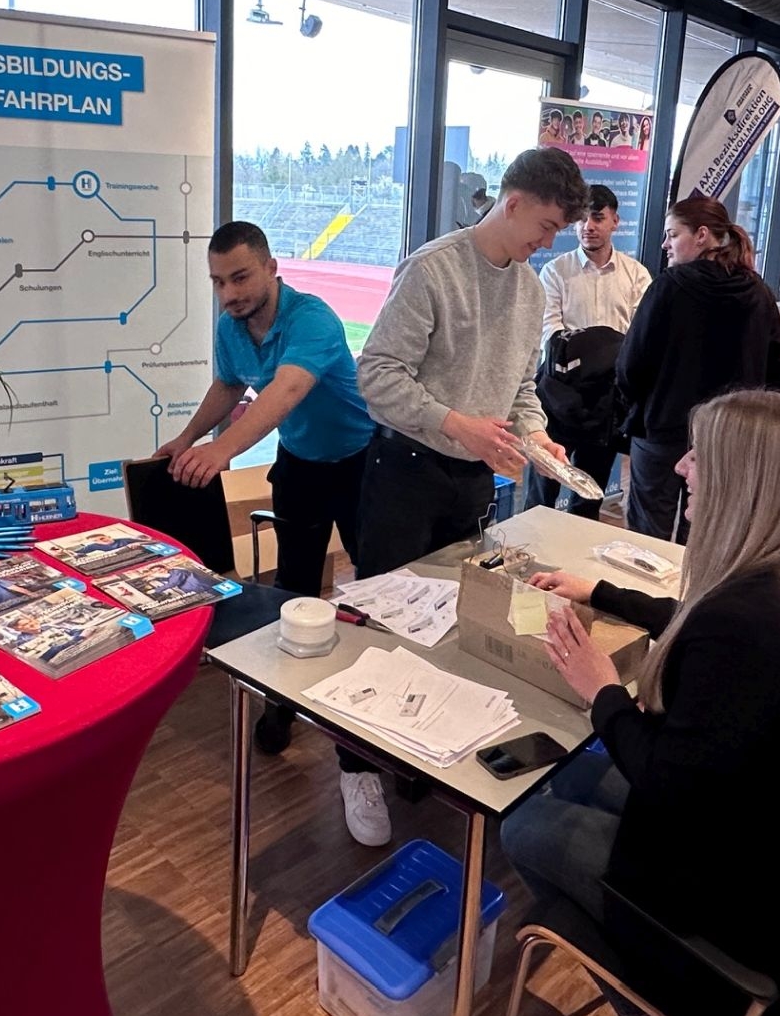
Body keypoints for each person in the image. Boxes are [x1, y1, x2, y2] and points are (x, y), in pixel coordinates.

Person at [502, 390, 780, 1016]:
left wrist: (601, 689)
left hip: (736, 916)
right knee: (569, 781)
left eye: (701, 456)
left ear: (743, 482)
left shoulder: (744, 626)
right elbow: (696, 624)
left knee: (525, 826)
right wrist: (603, 591)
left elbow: (663, 781)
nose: (682, 467)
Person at [351, 145, 587, 844]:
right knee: (382, 620)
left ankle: (415, 744)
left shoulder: (529, 289)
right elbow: (378, 375)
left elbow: (519, 389)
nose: (549, 243)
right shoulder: (433, 269)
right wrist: (456, 422)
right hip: (404, 470)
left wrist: (537, 438)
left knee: (449, 620)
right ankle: (355, 765)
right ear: (512, 204)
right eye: (546, 226)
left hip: (472, 478)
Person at [155, 220, 376, 752]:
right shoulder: (231, 327)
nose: (228, 294)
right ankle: (284, 704)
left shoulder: (313, 318)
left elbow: (287, 389)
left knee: (374, 586)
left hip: (361, 463)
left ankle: (370, 714)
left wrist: (222, 451)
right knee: (293, 590)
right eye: (218, 282)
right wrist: (187, 439)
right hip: (300, 464)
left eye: (240, 278)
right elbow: (229, 385)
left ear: (272, 269)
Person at [616, 197, 780, 542]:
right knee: (705, 539)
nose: (665, 244)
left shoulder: (669, 286)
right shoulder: (758, 293)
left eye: (672, 234)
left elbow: (631, 364)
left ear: (702, 235)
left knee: (645, 541)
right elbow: (776, 377)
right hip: (727, 438)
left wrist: (638, 406)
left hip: (662, 430)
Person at [531, 183, 652, 520]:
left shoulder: (636, 275)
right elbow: (550, 335)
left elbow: (638, 338)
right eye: (582, 219)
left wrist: (588, 350)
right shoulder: (556, 271)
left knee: (589, 495)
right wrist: (605, 349)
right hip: (559, 393)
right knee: (542, 491)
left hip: (606, 400)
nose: (588, 226)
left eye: (597, 217)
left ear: (615, 221)